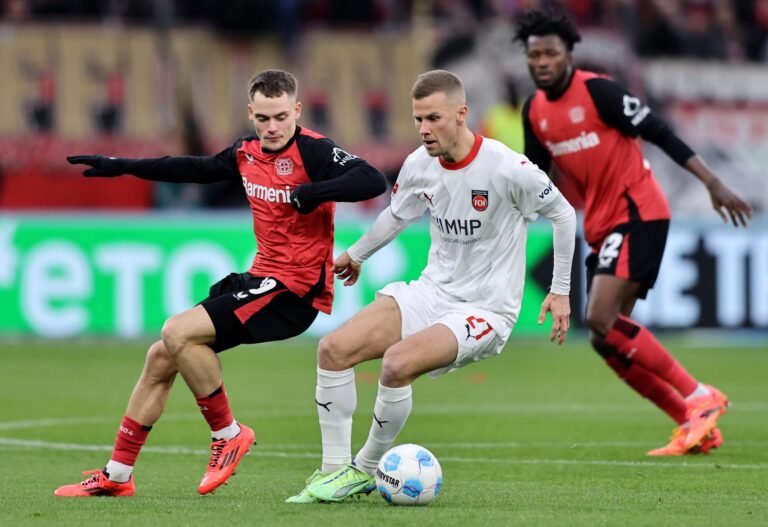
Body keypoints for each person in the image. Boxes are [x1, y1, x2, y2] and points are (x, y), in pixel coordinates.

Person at [54, 69, 387, 497]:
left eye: (281, 117)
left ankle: (228, 433)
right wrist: (121, 166)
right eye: (263, 118)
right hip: (260, 278)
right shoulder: (246, 152)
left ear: (297, 111)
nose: (272, 127)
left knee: (177, 331)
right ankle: (117, 475)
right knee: (162, 355)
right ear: (250, 113)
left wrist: (314, 192)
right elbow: (194, 168)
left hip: (294, 290)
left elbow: (371, 179)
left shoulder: (314, 151)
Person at [285, 69, 577, 503]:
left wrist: (560, 289)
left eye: (434, 118)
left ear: (461, 114)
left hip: (485, 309)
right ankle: (331, 470)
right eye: (418, 119)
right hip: (431, 291)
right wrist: (357, 254)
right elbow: (396, 215)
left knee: (397, 363)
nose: (424, 129)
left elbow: (564, 214)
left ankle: (363, 469)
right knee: (333, 350)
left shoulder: (507, 167)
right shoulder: (420, 164)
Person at [513, 10, 753, 456]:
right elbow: (535, 178)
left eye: (550, 53)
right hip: (600, 224)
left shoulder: (599, 91)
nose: (542, 62)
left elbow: (659, 131)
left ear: (569, 54)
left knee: (600, 318)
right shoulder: (535, 112)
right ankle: (692, 423)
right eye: (534, 55)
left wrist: (712, 182)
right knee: (605, 339)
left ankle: (699, 395)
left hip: (638, 210)